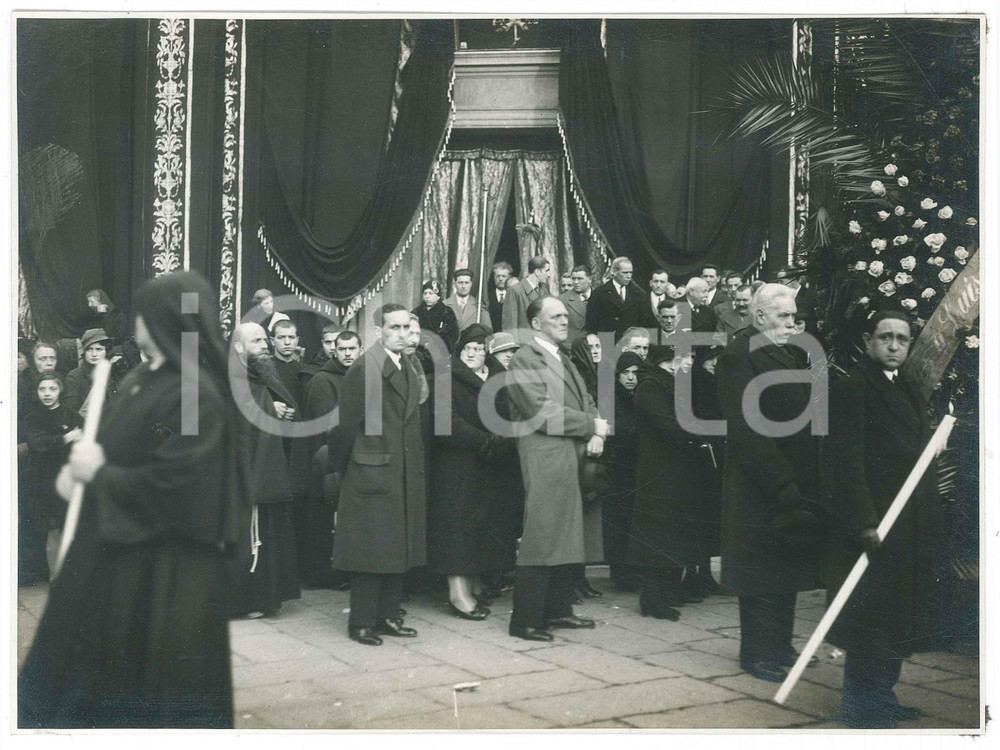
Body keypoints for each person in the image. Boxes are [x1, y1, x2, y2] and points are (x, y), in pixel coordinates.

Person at [19, 271, 249, 728]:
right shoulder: (146, 376)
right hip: (117, 552)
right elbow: (128, 445)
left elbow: (181, 484)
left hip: (164, 569)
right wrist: (78, 476)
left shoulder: (193, 394)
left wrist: (98, 474)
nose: (136, 323)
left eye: (145, 313)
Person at [825, 311, 938, 728]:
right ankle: (860, 706)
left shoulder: (905, 385)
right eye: (885, 337)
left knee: (894, 615)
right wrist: (865, 520)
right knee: (869, 618)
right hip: (876, 521)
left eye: (902, 339)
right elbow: (847, 461)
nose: (894, 346)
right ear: (869, 341)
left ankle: (882, 697)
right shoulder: (854, 387)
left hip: (906, 521)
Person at [714, 283, 825, 683]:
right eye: (784, 316)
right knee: (759, 570)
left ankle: (780, 646)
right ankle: (757, 653)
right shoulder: (737, 356)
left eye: (794, 316)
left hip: (789, 478)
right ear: (760, 316)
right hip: (758, 482)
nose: (792, 323)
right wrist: (780, 482)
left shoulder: (790, 352)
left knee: (785, 565)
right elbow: (746, 429)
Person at [506, 296, 608, 641]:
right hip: (545, 454)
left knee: (565, 535)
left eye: (566, 315)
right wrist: (591, 425)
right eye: (556, 317)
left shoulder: (561, 355)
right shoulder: (525, 358)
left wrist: (594, 426)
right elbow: (540, 411)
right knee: (542, 535)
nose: (565, 321)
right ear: (536, 323)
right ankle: (526, 620)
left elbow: (586, 399)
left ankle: (559, 611)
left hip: (568, 453)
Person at [328, 303, 426, 646]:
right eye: (394, 328)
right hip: (372, 471)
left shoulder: (407, 366)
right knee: (372, 550)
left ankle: (387, 616)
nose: (402, 334)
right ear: (379, 331)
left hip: (400, 470)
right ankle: (361, 622)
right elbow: (344, 427)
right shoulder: (366, 367)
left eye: (407, 328)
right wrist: (347, 468)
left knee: (396, 547)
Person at [429, 324, 517, 620]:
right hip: (457, 465)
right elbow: (446, 422)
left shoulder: (497, 378)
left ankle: (475, 585)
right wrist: (485, 441)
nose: (474, 354)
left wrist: (503, 439)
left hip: (490, 465)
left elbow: (509, 413)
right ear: (459, 350)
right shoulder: (446, 379)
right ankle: (458, 594)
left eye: (479, 349)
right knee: (457, 529)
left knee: (481, 526)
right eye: (468, 348)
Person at [626, 345, 710, 620]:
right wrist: (697, 436)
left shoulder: (668, 385)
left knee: (672, 532)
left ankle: (670, 591)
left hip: (674, 469)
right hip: (658, 470)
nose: (687, 364)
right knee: (657, 535)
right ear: (669, 361)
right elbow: (669, 424)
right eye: (684, 359)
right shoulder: (650, 388)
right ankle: (652, 599)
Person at [229, 322, 302, 618]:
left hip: (269, 466)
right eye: (256, 341)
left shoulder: (263, 374)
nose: (265, 346)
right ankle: (247, 601)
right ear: (238, 347)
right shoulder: (231, 378)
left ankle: (267, 597)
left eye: (264, 340)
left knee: (267, 535)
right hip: (245, 473)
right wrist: (272, 410)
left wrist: (281, 410)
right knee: (248, 537)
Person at [293, 331, 362, 587]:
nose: (347, 353)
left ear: (359, 349)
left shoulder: (365, 375)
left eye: (352, 348)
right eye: (342, 349)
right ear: (335, 351)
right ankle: (330, 574)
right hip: (330, 458)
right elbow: (328, 424)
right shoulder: (322, 380)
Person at [23, 373, 84, 577]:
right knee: (54, 531)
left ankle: (74, 580)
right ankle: (55, 579)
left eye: (52, 389)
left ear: (60, 390)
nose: (47, 394)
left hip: (71, 481)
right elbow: (39, 444)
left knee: (74, 530)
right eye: (42, 389)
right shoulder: (33, 417)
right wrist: (67, 437)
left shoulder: (73, 416)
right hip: (47, 482)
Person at [601, 351, 643, 592]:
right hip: (618, 468)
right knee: (619, 519)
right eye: (625, 373)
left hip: (636, 466)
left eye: (635, 373)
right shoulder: (611, 398)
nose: (630, 378)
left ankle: (632, 570)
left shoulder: (641, 395)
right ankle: (620, 571)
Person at [585, 257, 646, 339]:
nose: (629, 276)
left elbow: (642, 323)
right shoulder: (599, 293)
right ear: (614, 272)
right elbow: (591, 324)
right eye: (625, 273)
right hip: (607, 341)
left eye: (630, 273)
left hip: (630, 341)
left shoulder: (637, 294)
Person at [63, 328, 118, 418]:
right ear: (84, 352)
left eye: (99, 349)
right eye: (89, 349)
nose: (94, 354)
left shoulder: (113, 374)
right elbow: (71, 410)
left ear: (106, 351)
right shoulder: (74, 376)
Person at [503, 255, 551, 341]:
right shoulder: (515, 291)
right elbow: (510, 325)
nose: (549, 274)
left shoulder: (544, 290)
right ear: (537, 272)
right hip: (524, 345)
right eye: (547, 271)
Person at [414, 279, 460, 354]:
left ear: (438, 296)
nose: (427, 296)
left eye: (431, 293)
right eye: (425, 293)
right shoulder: (416, 312)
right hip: (419, 352)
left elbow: (454, 333)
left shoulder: (447, 312)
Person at [444, 268, 493, 333]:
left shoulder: (479, 305)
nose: (463, 286)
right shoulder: (444, 305)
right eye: (460, 283)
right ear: (455, 284)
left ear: (471, 284)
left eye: (466, 283)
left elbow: (488, 331)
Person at [559, 265, 593, 345]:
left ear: (590, 279)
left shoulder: (601, 297)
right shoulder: (562, 300)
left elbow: (607, 329)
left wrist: (607, 352)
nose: (576, 282)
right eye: (574, 279)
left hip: (597, 350)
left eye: (580, 279)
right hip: (573, 351)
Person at [487, 261, 513, 332]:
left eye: (504, 276)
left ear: (509, 278)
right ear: (494, 277)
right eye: (498, 276)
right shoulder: (487, 297)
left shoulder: (513, 297)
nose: (501, 279)